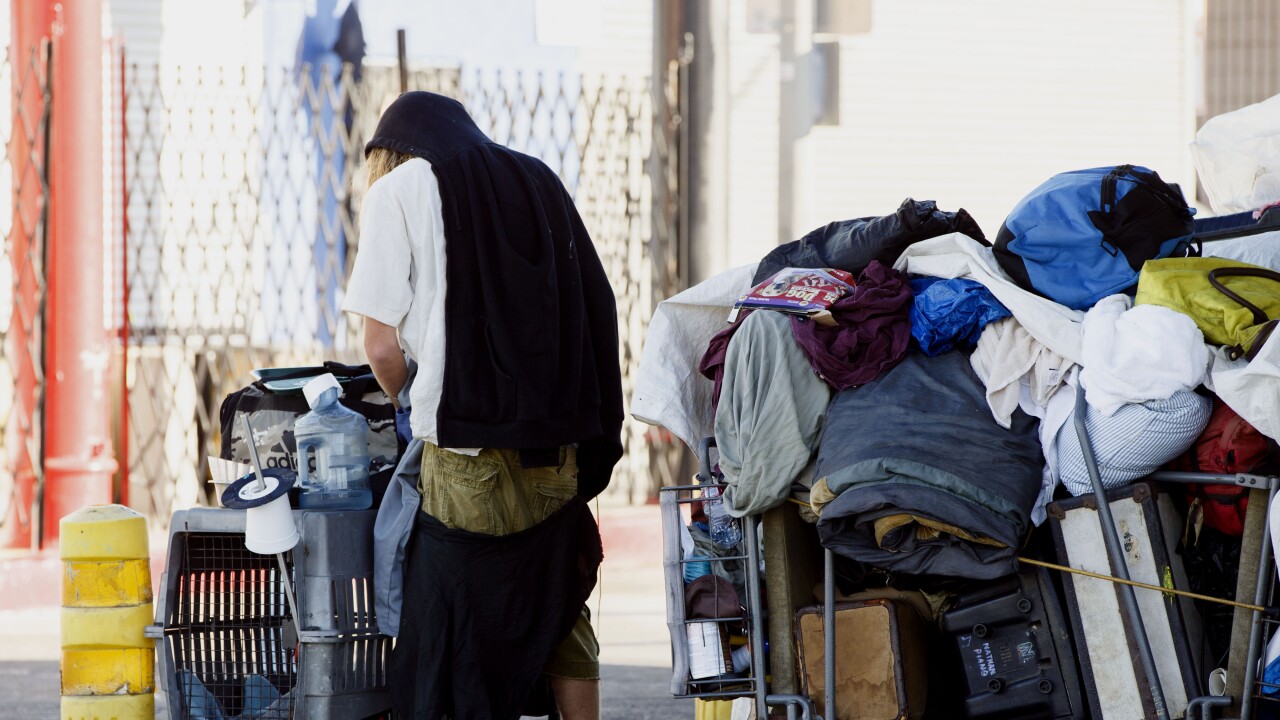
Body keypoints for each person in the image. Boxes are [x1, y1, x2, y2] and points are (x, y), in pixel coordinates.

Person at [341, 91, 623, 719]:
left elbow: (380, 346)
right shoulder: (539, 178)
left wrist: (407, 404)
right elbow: (598, 304)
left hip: (466, 452)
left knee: (453, 621)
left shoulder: (398, 190)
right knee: (558, 604)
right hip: (558, 446)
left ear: (388, 153)